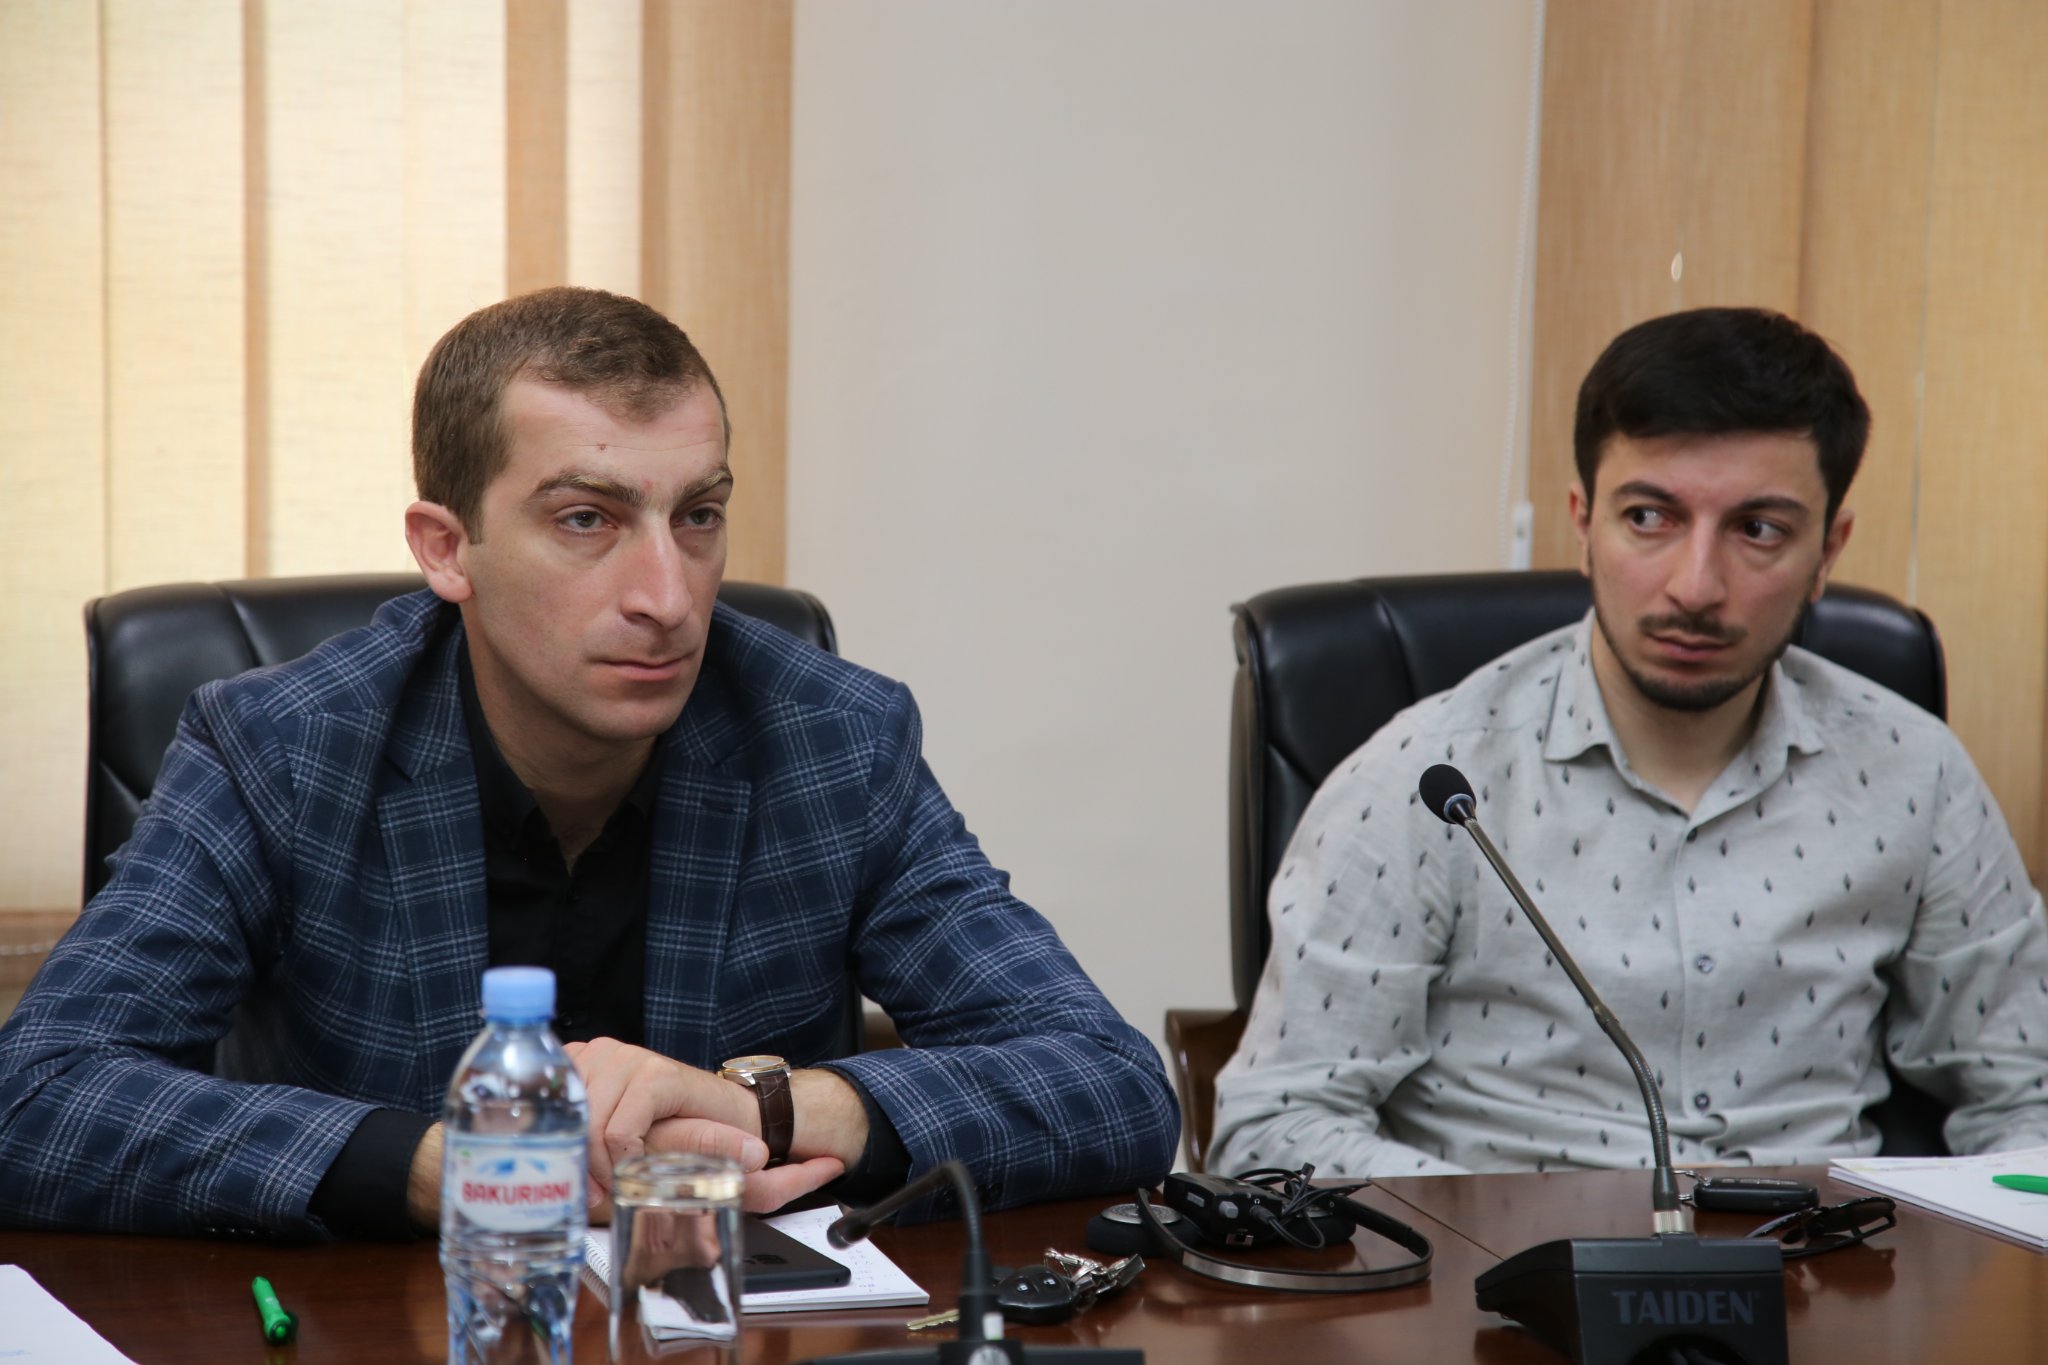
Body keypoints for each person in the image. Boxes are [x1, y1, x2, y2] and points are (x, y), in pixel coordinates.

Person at [0, 287, 1177, 1239]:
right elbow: (35, 1096)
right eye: (586, 519)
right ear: (447, 549)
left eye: (696, 515)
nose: (667, 596)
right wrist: (450, 1170)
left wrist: (763, 1109)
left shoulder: (831, 739)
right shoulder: (280, 749)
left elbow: (1111, 1083)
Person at [1212, 306, 2048, 1179]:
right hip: (1511, 1256)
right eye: (1649, 517)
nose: (1696, 586)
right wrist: (1506, 1231)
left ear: (1828, 550)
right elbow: (1274, 1127)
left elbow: (2025, 1097)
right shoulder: (1428, 779)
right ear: (1583, 523)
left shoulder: (1916, 773)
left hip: (1831, 1252)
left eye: (1759, 529)